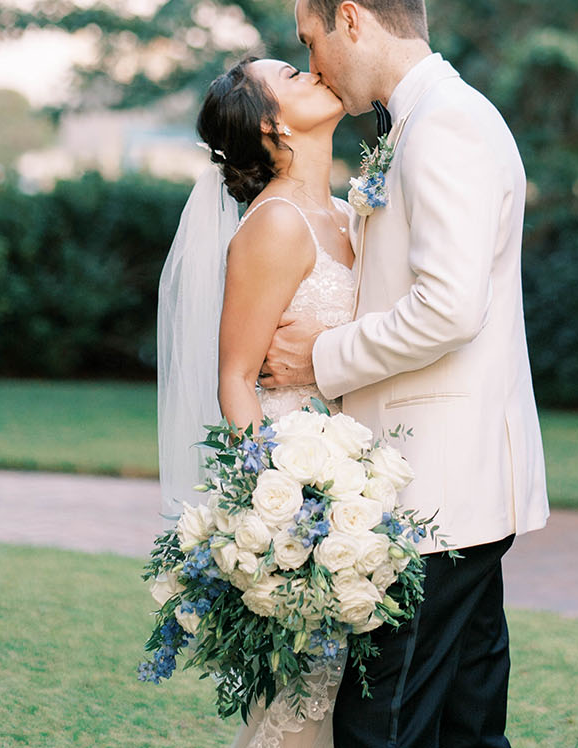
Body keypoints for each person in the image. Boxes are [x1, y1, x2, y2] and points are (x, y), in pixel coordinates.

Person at [259, 0, 549, 748]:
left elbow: (448, 308)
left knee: (383, 725)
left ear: (350, 19)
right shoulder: (425, 122)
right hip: (453, 489)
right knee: (463, 723)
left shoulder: (445, 126)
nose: (311, 65)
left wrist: (322, 354)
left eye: (310, 41)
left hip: (440, 491)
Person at [156, 54, 357, 748]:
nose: (313, 72)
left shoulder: (348, 212)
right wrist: (276, 507)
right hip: (301, 485)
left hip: (357, 469)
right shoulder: (272, 225)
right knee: (305, 701)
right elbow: (237, 378)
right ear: (273, 123)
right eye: (292, 75)